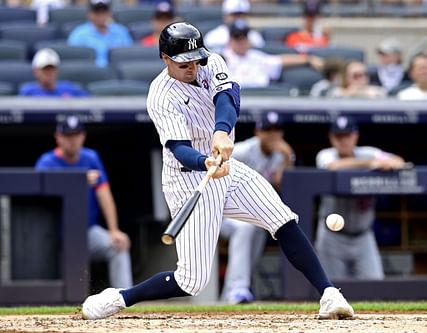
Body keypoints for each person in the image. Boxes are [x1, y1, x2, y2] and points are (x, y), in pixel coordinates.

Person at [81, 21, 353, 321]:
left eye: (196, 59)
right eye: (184, 62)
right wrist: (204, 162)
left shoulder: (211, 61)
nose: (193, 66)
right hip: (188, 179)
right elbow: (179, 149)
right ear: (165, 58)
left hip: (228, 168)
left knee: (282, 218)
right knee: (191, 281)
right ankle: (120, 297)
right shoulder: (160, 96)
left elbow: (228, 99)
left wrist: (222, 131)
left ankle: (329, 294)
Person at [35, 115, 133, 289]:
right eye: (67, 135)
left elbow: (104, 195)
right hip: (53, 235)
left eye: (76, 135)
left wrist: (114, 230)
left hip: (87, 231)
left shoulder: (91, 158)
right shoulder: (47, 161)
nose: (72, 140)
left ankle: (124, 297)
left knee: (118, 245)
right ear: (58, 137)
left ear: (83, 136)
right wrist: (78, 180)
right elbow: (40, 193)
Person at [314, 116, 406, 280]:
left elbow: (399, 161)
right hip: (332, 237)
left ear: (355, 136)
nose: (344, 141)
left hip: (363, 236)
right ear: (331, 138)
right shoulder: (326, 155)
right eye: (339, 136)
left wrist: (386, 164)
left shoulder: (368, 152)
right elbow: (334, 167)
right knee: (331, 288)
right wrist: (370, 164)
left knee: (375, 285)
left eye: (347, 135)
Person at [219, 111, 295, 304]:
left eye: (277, 130)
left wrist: (287, 160)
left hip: (249, 216)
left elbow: (282, 186)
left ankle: (232, 294)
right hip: (221, 211)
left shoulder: (282, 155)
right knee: (246, 227)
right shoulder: (242, 151)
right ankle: (237, 290)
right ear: (258, 132)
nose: (272, 136)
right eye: (267, 130)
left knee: (255, 231)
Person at [222, 19, 324, 88]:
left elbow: (281, 60)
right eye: (237, 38)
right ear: (230, 40)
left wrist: (308, 59)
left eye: (244, 37)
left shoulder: (256, 57)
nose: (241, 41)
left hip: (261, 101)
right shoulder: (221, 59)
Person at [67, 0, 133, 67]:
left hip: (115, 72)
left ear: (110, 13)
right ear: (89, 14)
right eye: (97, 12)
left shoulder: (121, 31)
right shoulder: (79, 34)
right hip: (91, 73)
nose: (101, 16)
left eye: (104, 12)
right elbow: (75, 61)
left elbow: (128, 56)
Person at [19, 48, 89, 97]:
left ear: (57, 71)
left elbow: (88, 104)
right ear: (35, 71)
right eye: (45, 69)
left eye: (52, 69)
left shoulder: (70, 89)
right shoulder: (28, 92)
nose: (49, 73)